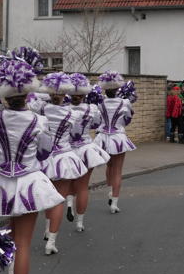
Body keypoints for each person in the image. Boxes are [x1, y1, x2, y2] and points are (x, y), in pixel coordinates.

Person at [0, 54, 64, 274]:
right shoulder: (39, 121)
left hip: (1, 181)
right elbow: (46, 152)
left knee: (14, 233)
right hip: (28, 182)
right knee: (24, 241)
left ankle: (13, 265)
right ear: (28, 94)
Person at [40, 72, 110, 239]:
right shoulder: (90, 109)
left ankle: (50, 226)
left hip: (62, 152)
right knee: (83, 186)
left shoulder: (53, 109)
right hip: (84, 149)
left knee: (54, 190)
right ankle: (79, 222)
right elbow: (95, 125)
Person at [94, 72, 136, 213]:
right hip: (118, 137)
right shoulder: (125, 102)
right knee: (117, 170)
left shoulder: (100, 102)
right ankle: (114, 203)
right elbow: (127, 120)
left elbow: (97, 121)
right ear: (117, 89)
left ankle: (110, 190)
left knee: (109, 165)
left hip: (103, 137)